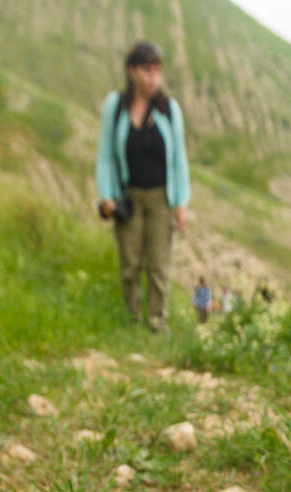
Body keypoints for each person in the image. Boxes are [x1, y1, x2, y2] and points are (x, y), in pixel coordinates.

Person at [95, 41, 192, 331]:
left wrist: (181, 203)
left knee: (159, 263)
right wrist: (107, 196)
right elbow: (105, 156)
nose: (154, 79)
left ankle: (158, 322)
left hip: (162, 197)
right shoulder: (116, 107)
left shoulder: (169, 110)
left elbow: (179, 160)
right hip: (129, 197)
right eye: (148, 71)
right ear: (132, 71)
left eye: (158, 71)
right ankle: (131, 319)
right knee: (130, 262)